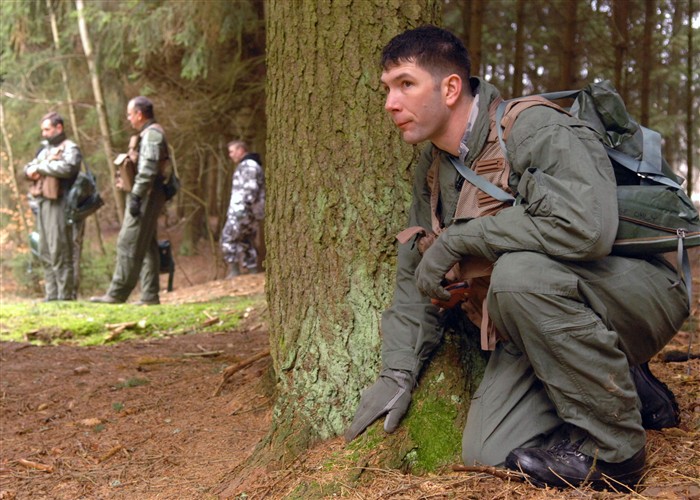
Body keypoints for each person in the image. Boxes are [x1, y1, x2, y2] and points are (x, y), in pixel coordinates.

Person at [344, 25, 689, 490]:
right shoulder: (433, 169)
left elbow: (585, 229)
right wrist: (398, 371)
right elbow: (416, 272)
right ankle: (621, 380)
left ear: (449, 88)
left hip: (639, 290)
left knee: (518, 276)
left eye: (405, 84)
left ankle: (617, 454)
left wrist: (461, 242)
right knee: (487, 448)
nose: (390, 102)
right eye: (387, 88)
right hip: (542, 318)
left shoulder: (532, 127)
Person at [90, 96, 168, 305]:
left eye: (130, 114)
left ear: (139, 114)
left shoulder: (152, 135)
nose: (128, 118)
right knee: (148, 245)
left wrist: (135, 196)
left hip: (145, 196)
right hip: (146, 195)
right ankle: (150, 296)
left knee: (128, 242)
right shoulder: (149, 134)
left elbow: (149, 170)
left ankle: (116, 294)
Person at [23, 112, 81, 301]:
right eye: (43, 130)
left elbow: (67, 168)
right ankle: (52, 296)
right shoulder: (44, 150)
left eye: (47, 129)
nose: (44, 134)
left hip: (60, 203)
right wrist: (30, 170)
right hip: (42, 203)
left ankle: (65, 297)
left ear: (59, 128)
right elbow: (28, 168)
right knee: (45, 250)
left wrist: (40, 168)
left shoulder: (70, 148)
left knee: (60, 250)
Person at [220, 140, 265, 278]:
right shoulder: (248, 165)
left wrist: (242, 209)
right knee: (246, 240)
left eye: (232, 151)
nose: (230, 155)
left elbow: (250, 190)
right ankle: (252, 271)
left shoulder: (249, 166)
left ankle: (234, 271)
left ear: (241, 150)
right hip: (249, 211)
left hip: (242, 211)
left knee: (227, 237)